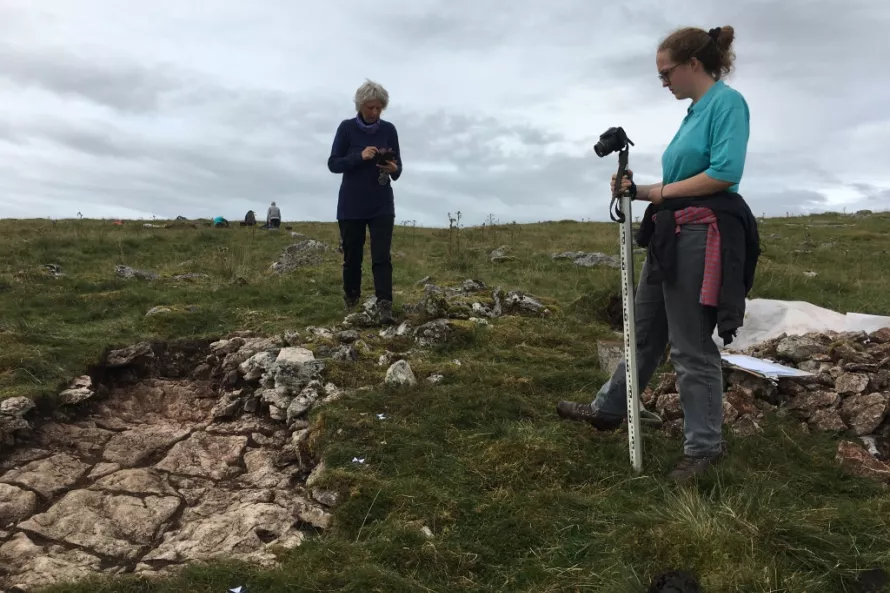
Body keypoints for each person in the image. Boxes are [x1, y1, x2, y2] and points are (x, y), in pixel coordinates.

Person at [557, 25, 760, 481]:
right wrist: (641, 189)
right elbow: (681, 181)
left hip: (701, 233)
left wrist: (653, 191)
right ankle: (608, 409)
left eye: (666, 73)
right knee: (643, 332)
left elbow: (725, 173)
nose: (664, 82)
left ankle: (705, 447)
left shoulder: (727, 103)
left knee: (689, 346)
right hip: (672, 234)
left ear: (693, 64)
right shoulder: (694, 113)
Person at [327, 79, 402, 325]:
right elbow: (333, 164)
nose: (375, 112)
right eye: (370, 107)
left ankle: (385, 307)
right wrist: (359, 156)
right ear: (360, 105)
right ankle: (352, 302)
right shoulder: (346, 128)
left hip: (381, 203)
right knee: (352, 257)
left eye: (379, 107)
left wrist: (393, 168)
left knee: (382, 257)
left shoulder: (389, 130)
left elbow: (398, 169)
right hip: (351, 205)